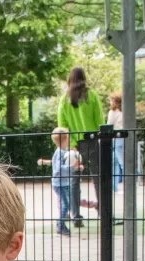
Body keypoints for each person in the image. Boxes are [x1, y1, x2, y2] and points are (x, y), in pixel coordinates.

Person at [57, 67, 103, 226]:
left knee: (74, 180)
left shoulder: (65, 99)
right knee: (98, 177)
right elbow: (99, 120)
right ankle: (103, 212)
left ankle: (75, 215)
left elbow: (62, 125)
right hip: (92, 140)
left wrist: (71, 144)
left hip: (74, 144)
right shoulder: (92, 96)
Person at [37, 127, 80, 236]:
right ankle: (60, 225)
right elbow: (59, 168)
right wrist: (72, 167)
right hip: (59, 184)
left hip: (64, 182)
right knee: (66, 204)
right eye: (68, 138)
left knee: (66, 203)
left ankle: (61, 224)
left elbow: (56, 163)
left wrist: (76, 166)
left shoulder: (63, 151)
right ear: (64, 140)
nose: (69, 140)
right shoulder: (60, 152)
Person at [108, 92, 124, 193]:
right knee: (118, 161)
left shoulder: (113, 112)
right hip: (122, 137)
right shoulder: (124, 111)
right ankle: (115, 187)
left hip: (115, 137)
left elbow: (109, 124)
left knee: (117, 162)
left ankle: (114, 187)